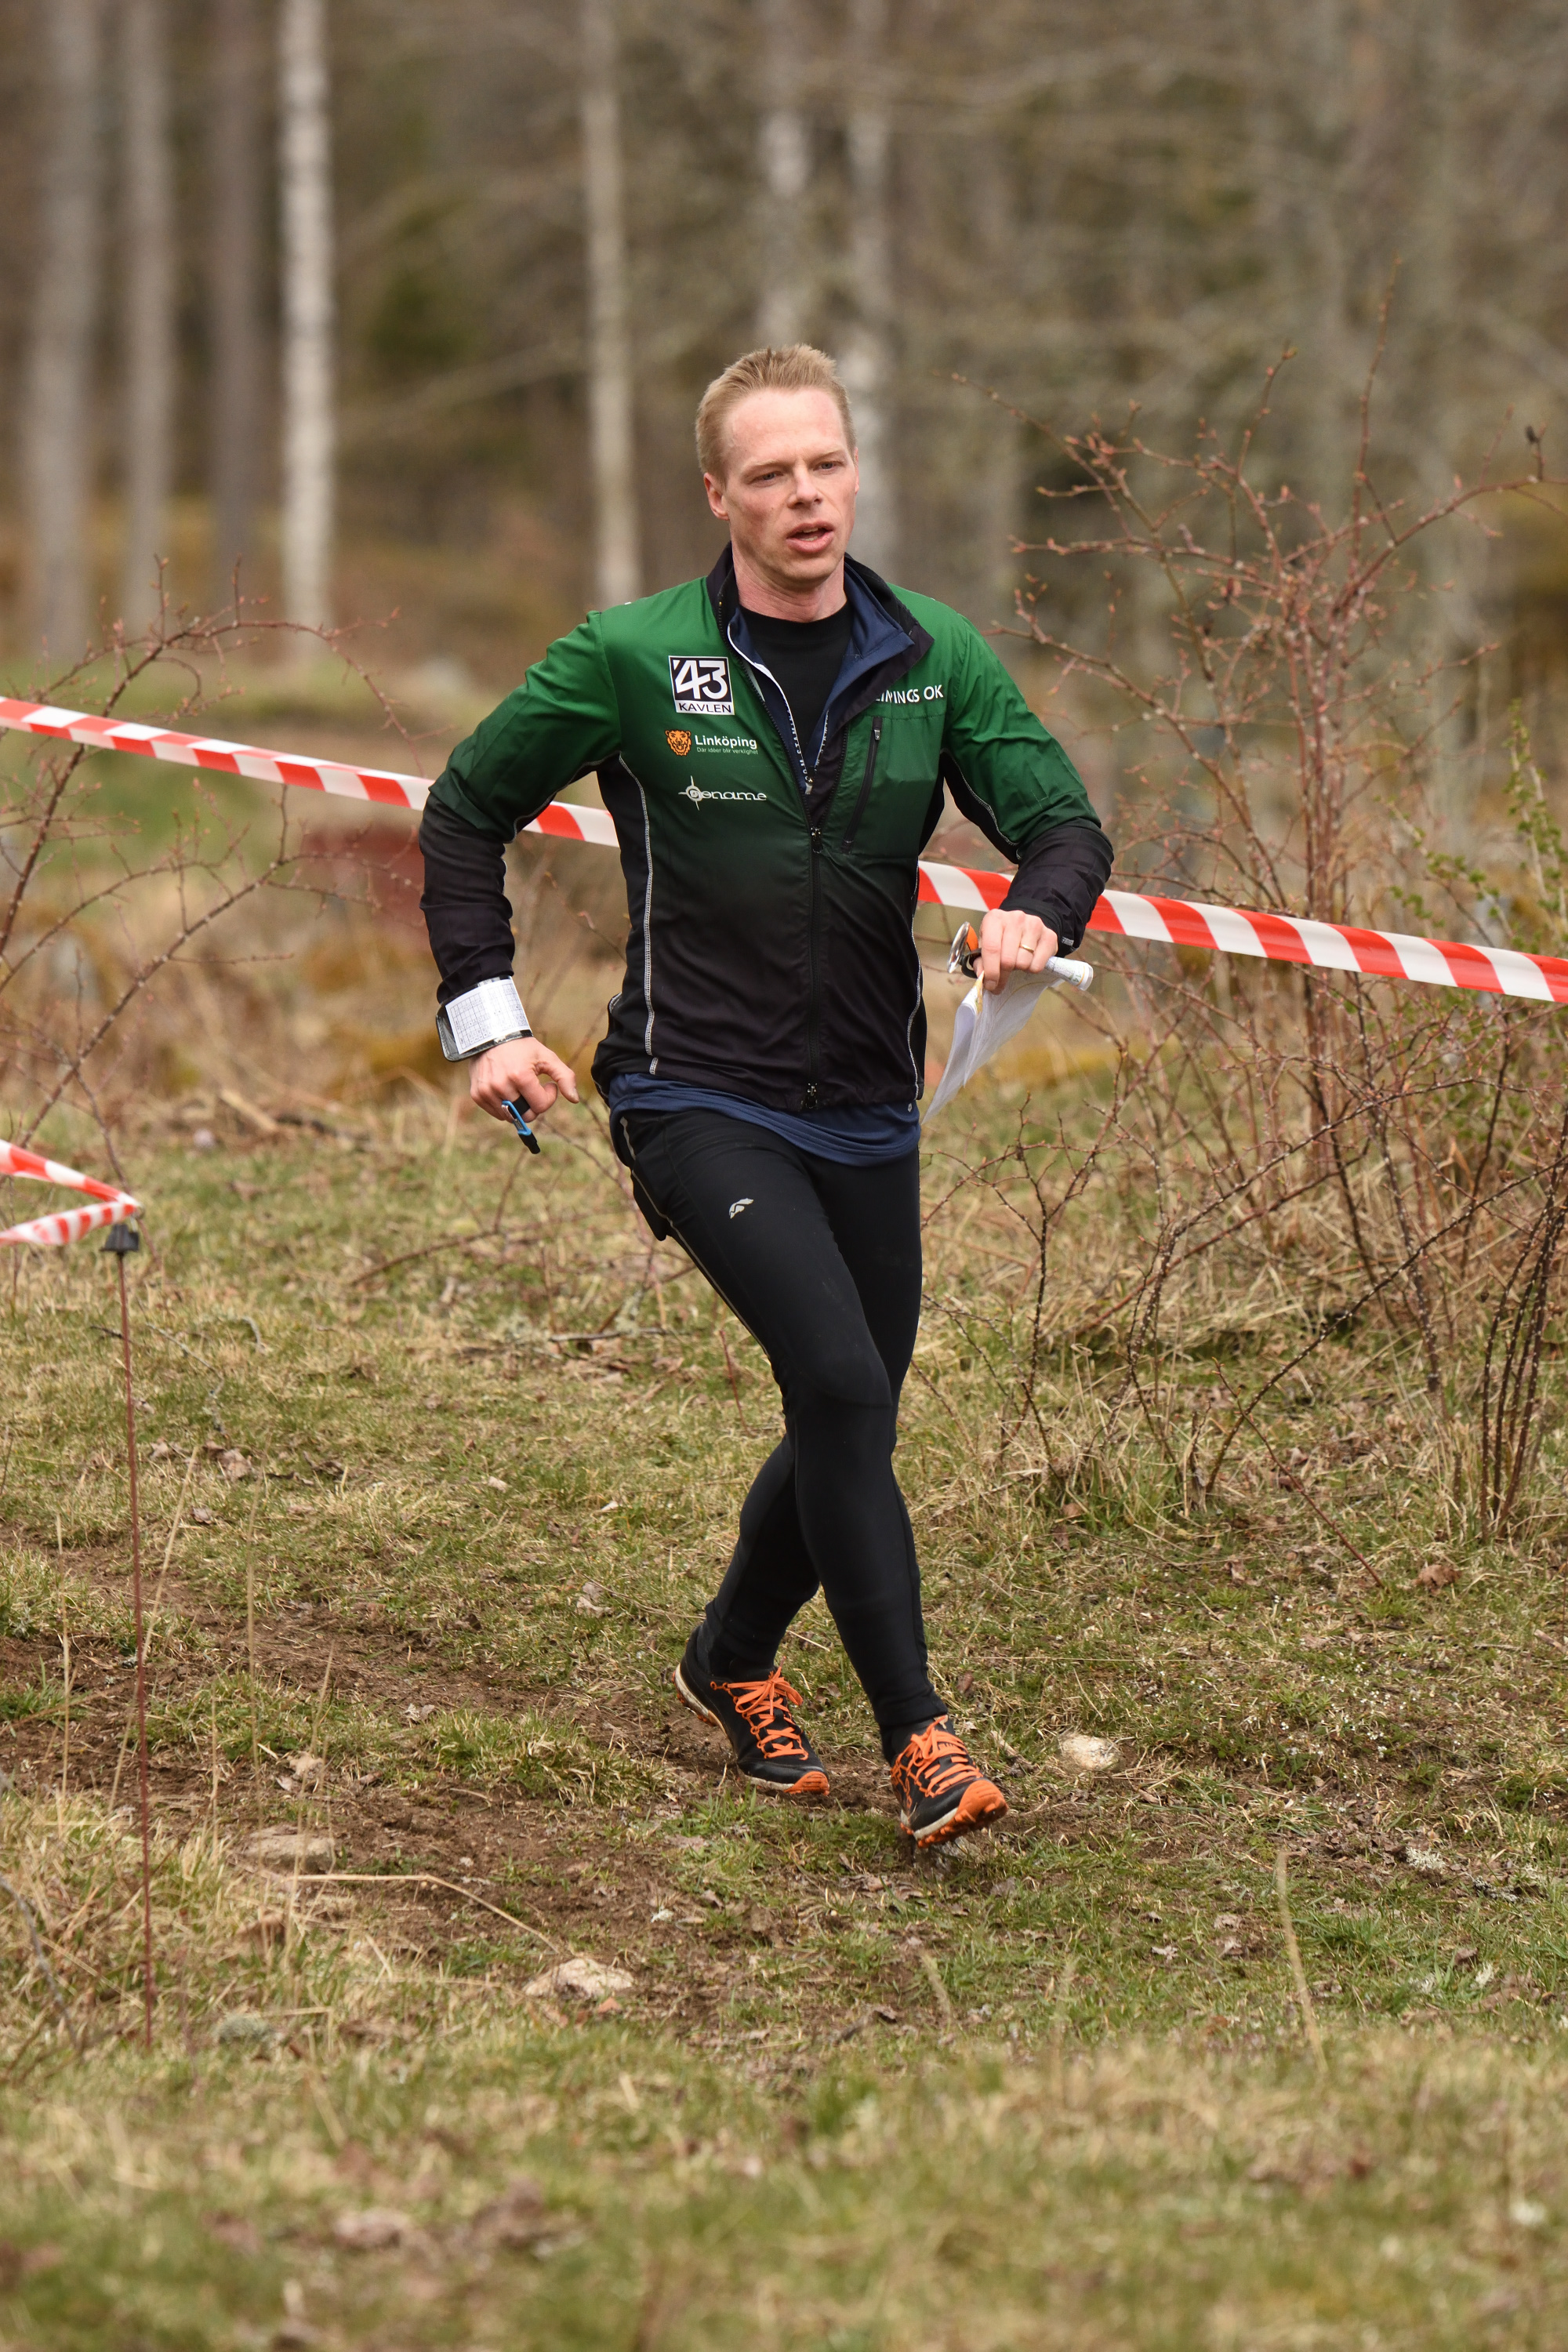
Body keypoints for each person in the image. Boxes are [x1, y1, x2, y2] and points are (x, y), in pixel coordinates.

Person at [419, 344, 1112, 1848]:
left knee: (854, 1406)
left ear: (855, 474)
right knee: (845, 1386)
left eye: (827, 465)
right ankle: (919, 1737)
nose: (806, 496)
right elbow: (464, 811)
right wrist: (490, 1025)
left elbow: (1064, 826)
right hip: (692, 1090)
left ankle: (731, 1656)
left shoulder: (931, 655)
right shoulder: (632, 655)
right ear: (718, 494)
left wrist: (1034, 913)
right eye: (772, 473)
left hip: (869, 1101)